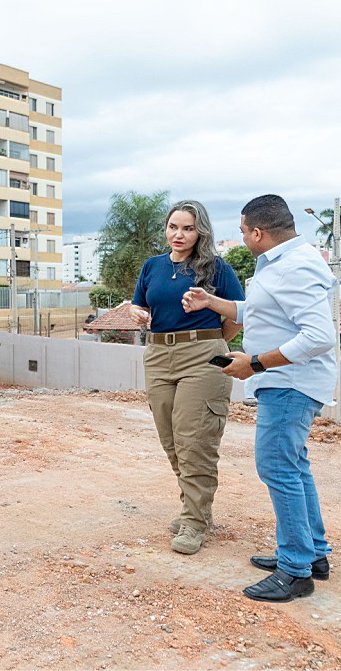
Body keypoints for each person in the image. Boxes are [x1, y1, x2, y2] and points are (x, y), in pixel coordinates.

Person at [182, 194, 337, 603]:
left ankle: (295, 570)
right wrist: (212, 301)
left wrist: (255, 363)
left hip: (291, 383)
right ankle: (313, 553)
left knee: (277, 468)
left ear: (257, 232)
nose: (243, 238)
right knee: (294, 467)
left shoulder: (296, 267)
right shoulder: (283, 263)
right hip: (285, 382)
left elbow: (320, 337)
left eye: (243, 232)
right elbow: (265, 311)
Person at [129, 200, 244, 555]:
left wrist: (211, 338)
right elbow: (141, 304)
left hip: (203, 355)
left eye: (188, 228)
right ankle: (196, 508)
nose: (179, 235)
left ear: (201, 232)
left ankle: (194, 521)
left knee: (195, 442)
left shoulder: (217, 268)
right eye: (174, 227)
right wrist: (136, 311)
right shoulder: (153, 266)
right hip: (159, 353)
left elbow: (238, 315)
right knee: (172, 440)